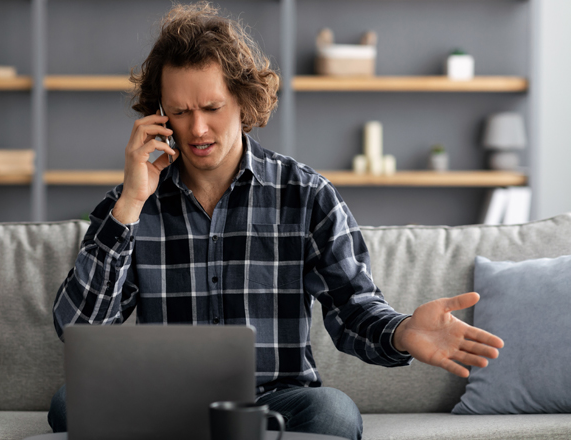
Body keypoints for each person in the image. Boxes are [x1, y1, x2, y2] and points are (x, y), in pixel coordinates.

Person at [49, 2, 504, 439]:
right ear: (159, 116)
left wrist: (404, 331)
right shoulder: (131, 202)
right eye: (181, 112)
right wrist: (130, 202)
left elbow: (353, 309)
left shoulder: (306, 195)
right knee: (70, 403)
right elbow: (79, 332)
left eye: (212, 108)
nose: (197, 129)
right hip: (163, 401)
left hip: (275, 404)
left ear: (243, 104)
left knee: (333, 413)